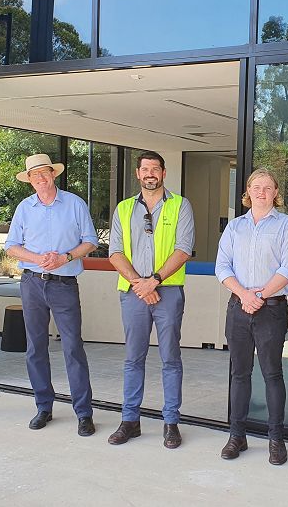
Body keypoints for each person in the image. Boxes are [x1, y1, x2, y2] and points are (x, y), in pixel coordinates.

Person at [4, 154, 98, 436]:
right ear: (29, 180)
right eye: (35, 175)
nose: (40, 178)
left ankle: (84, 413)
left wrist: (64, 258)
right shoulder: (24, 208)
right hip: (32, 283)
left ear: (53, 174)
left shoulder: (75, 204)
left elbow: (90, 241)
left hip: (63, 283)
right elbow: (11, 246)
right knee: (35, 347)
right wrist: (38, 258)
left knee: (73, 347)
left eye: (44, 173)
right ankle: (43, 406)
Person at [107, 151, 194, 449]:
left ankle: (171, 423)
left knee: (170, 358)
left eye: (155, 169)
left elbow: (183, 249)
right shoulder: (123, 208)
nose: (150, 174)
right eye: (145, 169)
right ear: (138, 174)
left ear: (163, 173)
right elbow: (115, 252)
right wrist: (140, 284)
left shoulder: (180, 205)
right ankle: (130, 421)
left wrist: (153, 281)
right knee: (133, 358)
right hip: (133, 293)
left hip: (167, 292)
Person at [215, 168, 288, 466]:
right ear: (248, 191)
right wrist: (245, 295)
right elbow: (222, 267)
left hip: (272, 309)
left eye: (267, 187)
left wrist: (259, 296)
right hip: (238, 308)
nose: (261, 192)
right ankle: (237, 436)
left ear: (276, 193)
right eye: (256, 187)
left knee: (272, 374)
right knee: (239, 373)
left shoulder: (287, 225)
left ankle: (276, 440)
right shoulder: (235, 227)